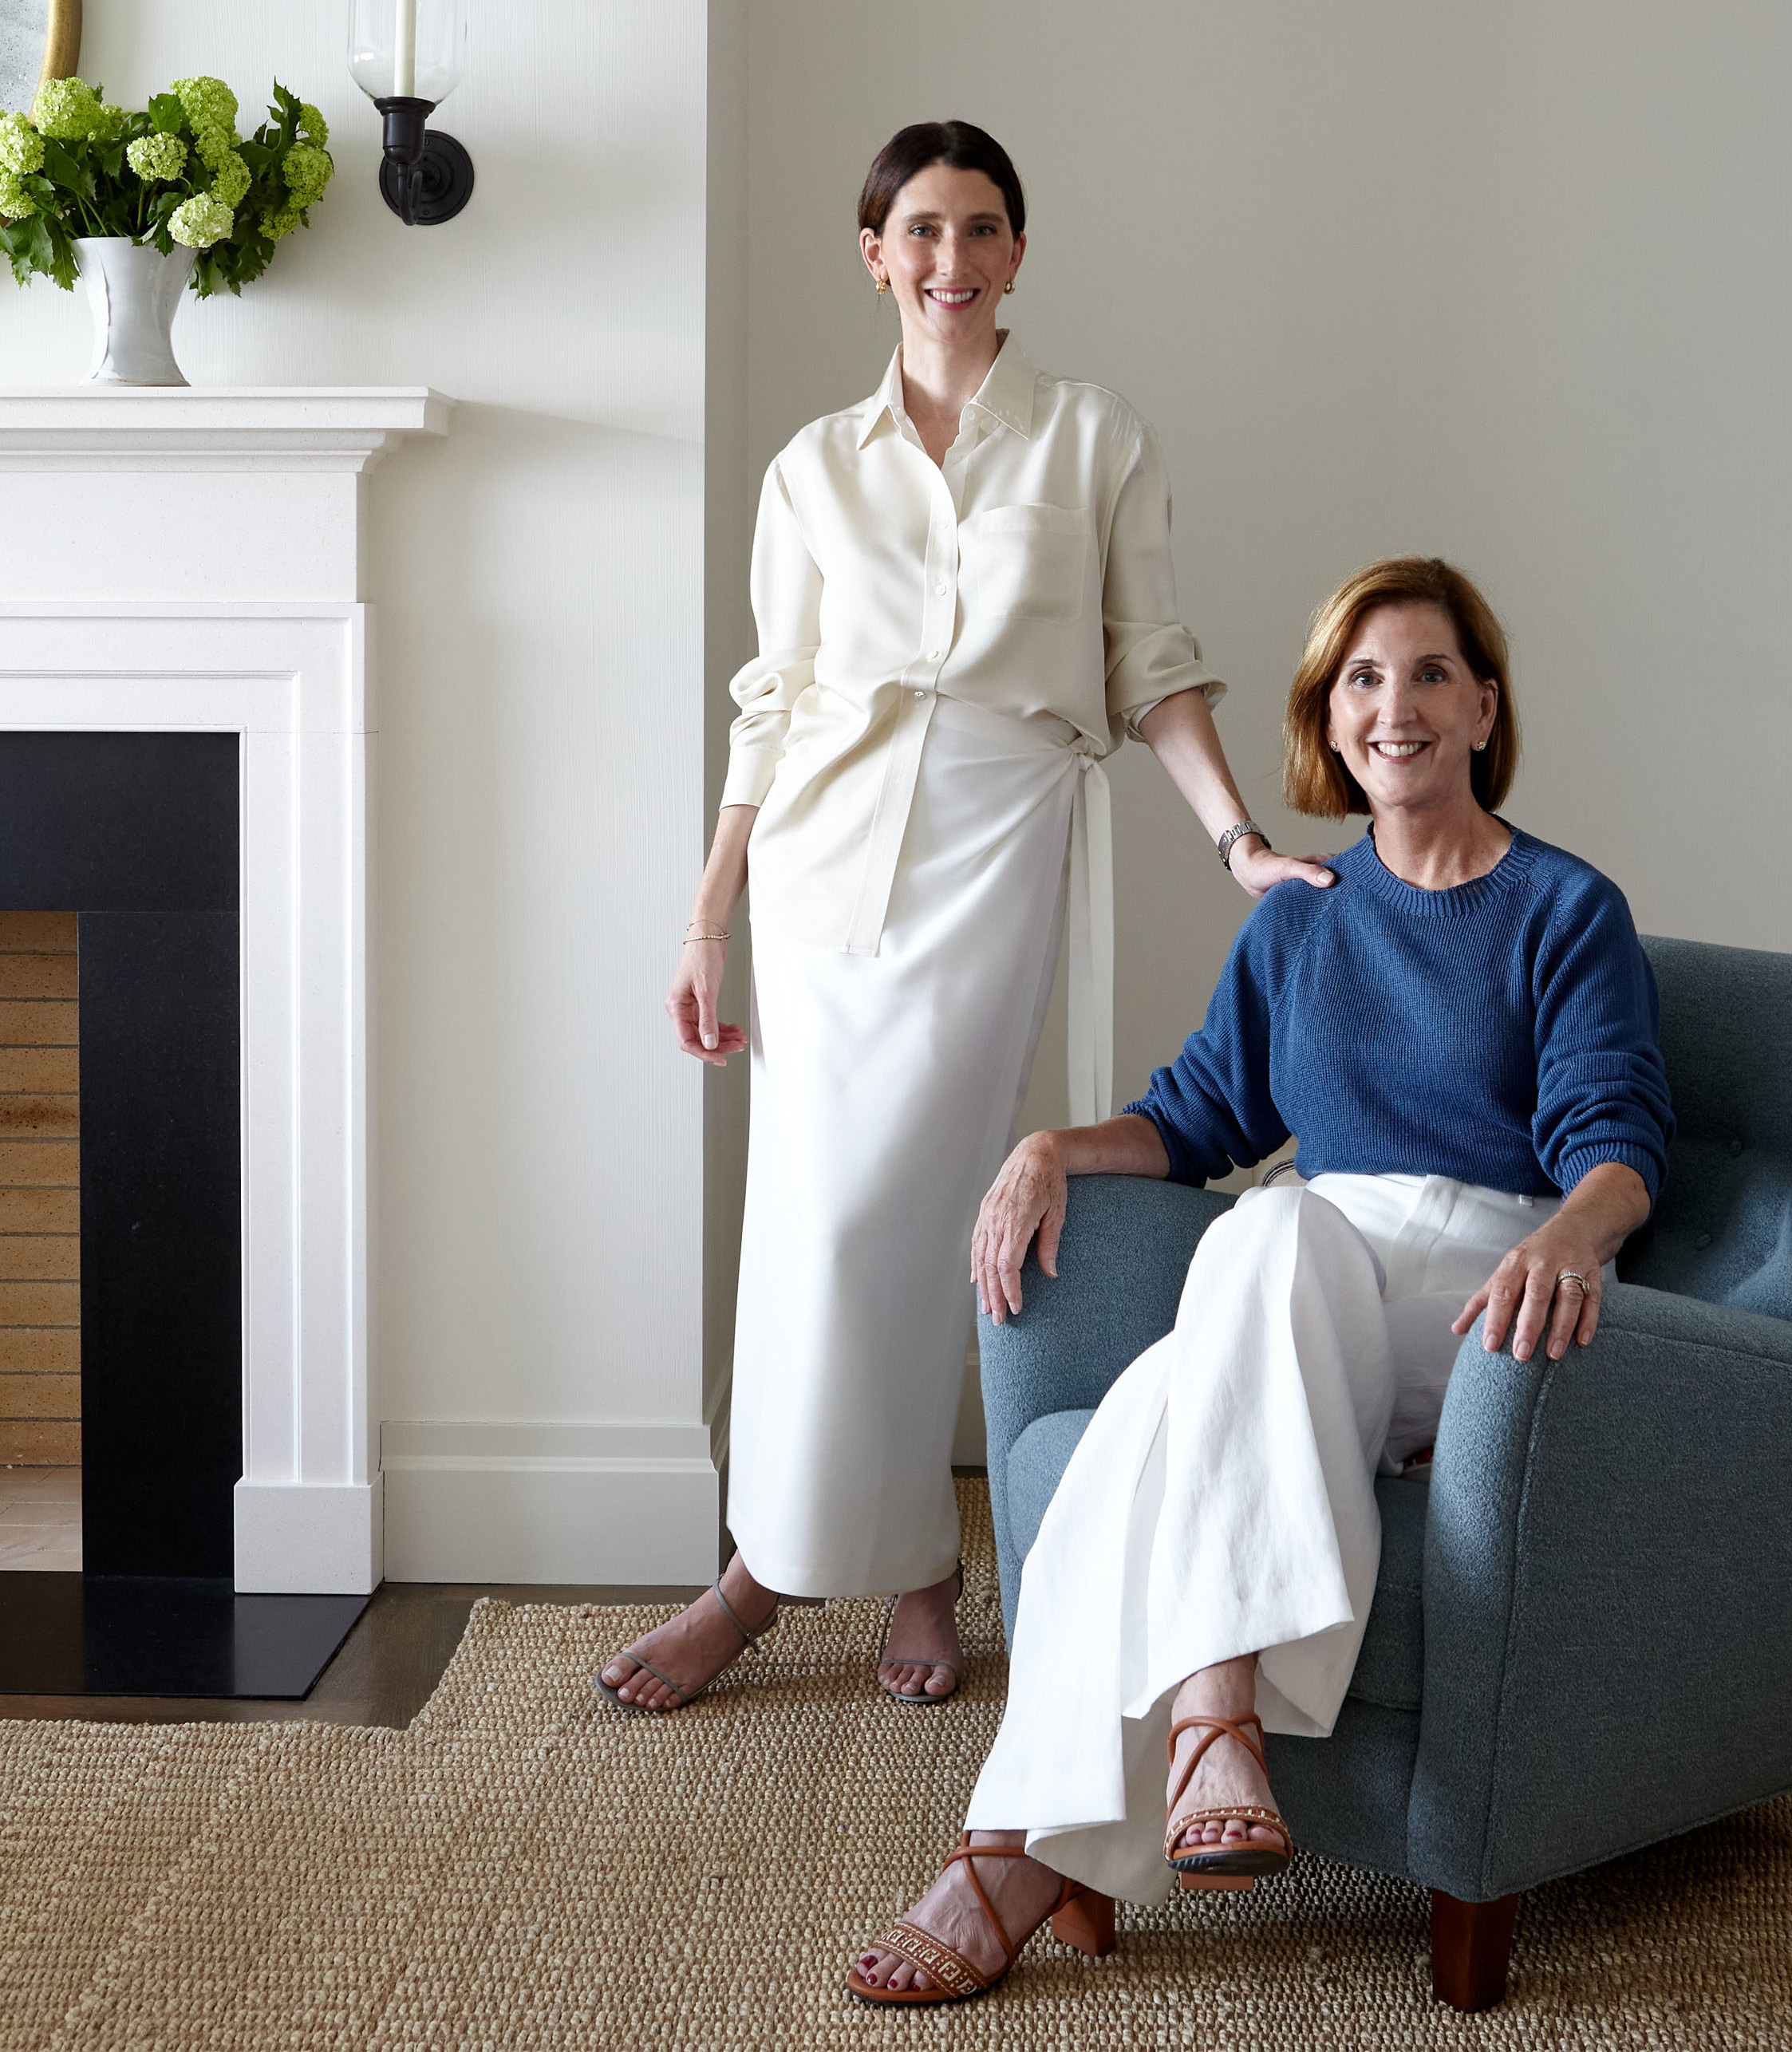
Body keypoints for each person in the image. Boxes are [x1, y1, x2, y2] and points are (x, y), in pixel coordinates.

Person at [847, 556, 1674, 2003]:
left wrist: (1569, 1236)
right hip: (1307, 1278)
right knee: (1193, 1345)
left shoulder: (1564, 908)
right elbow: (1196, 1121)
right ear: (1329, 714)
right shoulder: (1299, 913)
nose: (1394, 707)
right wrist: (1048, 1143)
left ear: (1484, 707)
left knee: (1249, 1263)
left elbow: (1620, 1142)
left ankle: (1037, 1833)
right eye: (1362, 678)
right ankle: (1112, 1789)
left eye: (1427, 675)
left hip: (1481, 1305)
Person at [595, 120, 1332, 1716]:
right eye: (916, 229)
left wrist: (1236, 844)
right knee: (810, 1209)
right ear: (874, 255)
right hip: (815, 860)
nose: (948, 258)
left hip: (996, 836)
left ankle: (805, 1568)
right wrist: (706, 911)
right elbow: (773, 698)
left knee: (914, 1205)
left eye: (979, 228)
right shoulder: (811, 466)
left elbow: (1153, 661)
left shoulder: (1090, 438)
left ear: (1014, 252)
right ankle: (838, 1561)